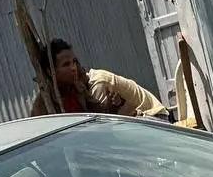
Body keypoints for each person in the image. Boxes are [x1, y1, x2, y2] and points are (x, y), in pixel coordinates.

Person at [29, 39, 170, 120]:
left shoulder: (84, 87)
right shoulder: (43, 105)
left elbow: (101, 119)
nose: (73, 68)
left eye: (74, 62)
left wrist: (115, 105)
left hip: (155, 118)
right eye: (66, 65)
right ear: (51, 71)